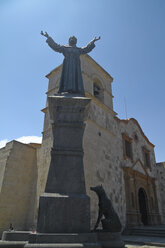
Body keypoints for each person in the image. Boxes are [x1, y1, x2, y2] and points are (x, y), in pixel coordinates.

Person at [41, 31, 100, 96]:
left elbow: (86, 48)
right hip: (67, 66)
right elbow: (55, 46)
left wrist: (93, 41)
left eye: (74, 39)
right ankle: (64, 91)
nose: (73, 40)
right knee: (66, 77)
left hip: (75, 67)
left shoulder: (78, 50)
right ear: (69, 40)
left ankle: (76, 91)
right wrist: (48, 37)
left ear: (76, 41)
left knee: (76, 78)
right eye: (71, 39)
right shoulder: (65, 48)